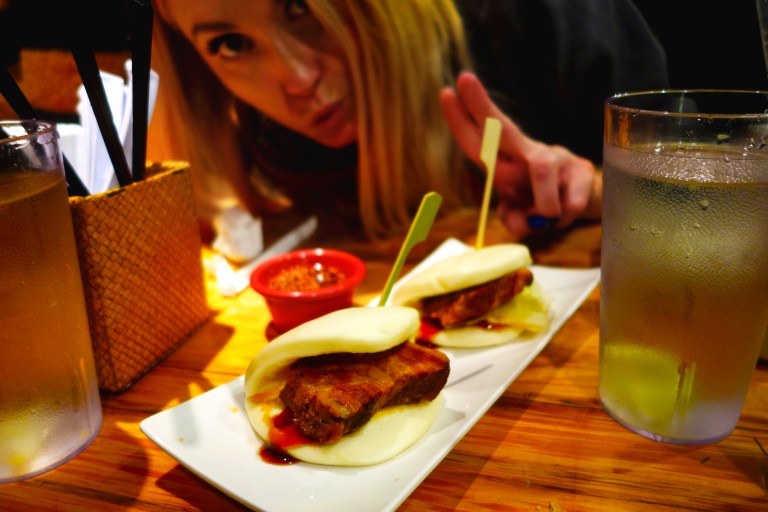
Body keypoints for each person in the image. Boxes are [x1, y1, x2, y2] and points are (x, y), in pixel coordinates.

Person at [147, 0, 668, 242]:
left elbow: (697, 210)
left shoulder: (540, 21)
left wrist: (596, 191)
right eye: (231, 44)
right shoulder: (271, 140)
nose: (296, 78)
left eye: (300, 7)